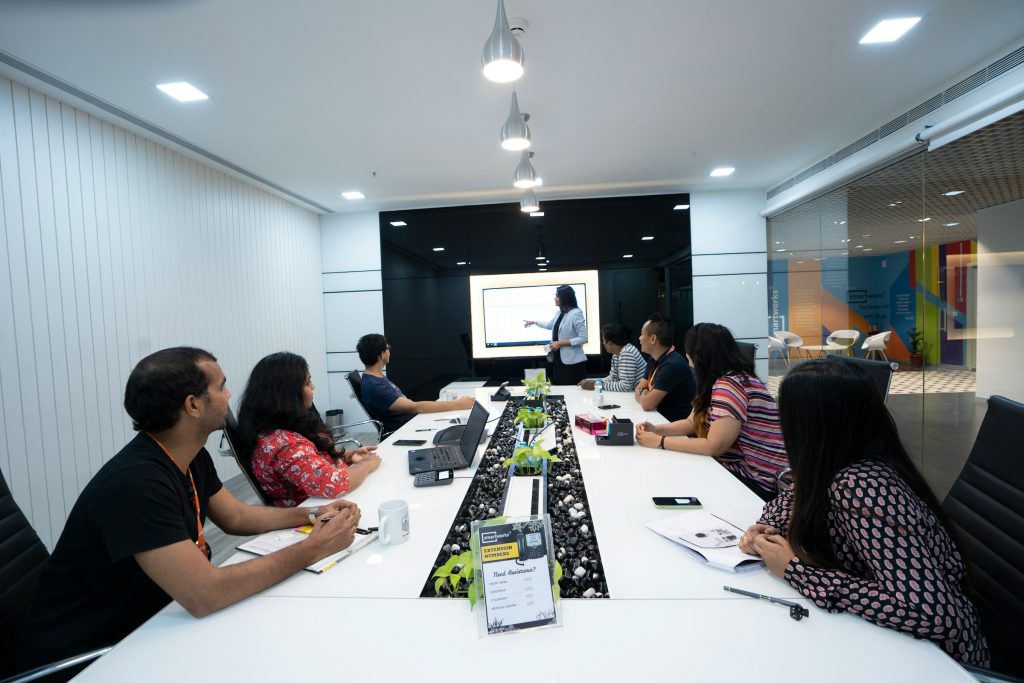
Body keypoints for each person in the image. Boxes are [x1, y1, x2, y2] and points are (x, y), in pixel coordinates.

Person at [16, 348, 362, 674]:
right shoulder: (135, 483)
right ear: (193, 405)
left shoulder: (190, 455)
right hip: (96, 654)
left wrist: (312, 515)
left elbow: (237, 517)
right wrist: (313, 548)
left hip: (159, 619)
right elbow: (205, 593)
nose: (229, 396)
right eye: (222, 386)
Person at [737, 359, 989, 666]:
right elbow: (794, 496)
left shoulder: (861, 487)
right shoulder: (834, 461)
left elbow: (933, 614)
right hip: (882, 640)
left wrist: (797, 571)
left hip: (935, 661)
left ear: (811, 425)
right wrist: (766, 527)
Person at [635, 323, 787, 500]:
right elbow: (692, 423)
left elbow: (714, 446)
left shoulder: (730, 385)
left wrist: (660, 441)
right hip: (739, 469)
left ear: (700, 355)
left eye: (689, 350)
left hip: (758, 479)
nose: (686, 355)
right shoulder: (716, 381)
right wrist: (657, 430)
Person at [236, 352, 382, 507]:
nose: (313, 386)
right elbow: (335, 485)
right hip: (314, 515)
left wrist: (347, 456)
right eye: (307, 383)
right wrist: (366, 465)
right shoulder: (285, 446)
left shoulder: (283, 427)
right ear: (286, 394)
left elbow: (310, 461)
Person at [357, 333, 474, 434]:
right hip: (407, 430)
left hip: (413, 422)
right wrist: (459, 404)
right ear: (382, 354)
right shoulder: (375, 386)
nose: (389, 350)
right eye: (387, 347)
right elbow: (415, 407)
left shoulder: (376, 377)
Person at [633, 312, 695, 421]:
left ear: (653, 339)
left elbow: (647, 405)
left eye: (642, 334)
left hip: (673, 427)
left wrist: (644, 391)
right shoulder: (653, 359)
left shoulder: (672, 365)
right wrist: (644, 392)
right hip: (658, 418)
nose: (639, 338)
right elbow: (638, 389)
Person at [523, 284, 589, 385]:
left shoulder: (576, 313)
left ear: (565, 298)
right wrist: (535, 322)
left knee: (572, 391)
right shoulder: (559, 313)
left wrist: (560, 343)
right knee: (560, 388)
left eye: (557, 296)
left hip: (572, 362)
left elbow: (583, 338)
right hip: (558, 359)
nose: (555, 298)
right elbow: (550, 325)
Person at [578, 323, 646, 392]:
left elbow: (626, 387)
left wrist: (597, 385)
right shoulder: (616, 354)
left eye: (604, 340)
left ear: (610, 342)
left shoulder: (627, 353)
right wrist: (594, 381)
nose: (603, 343)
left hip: (639, 394)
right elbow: (612, 378)